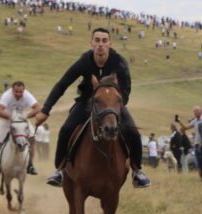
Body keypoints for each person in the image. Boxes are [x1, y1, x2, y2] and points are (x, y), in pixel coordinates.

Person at [36, 28, 150, 188]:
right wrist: (45, 110)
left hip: (112, 105)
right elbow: (62, 85)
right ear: (91, 43)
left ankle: (137, 171)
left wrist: (115, 105)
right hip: (86, 103)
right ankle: (59, 170)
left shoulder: (119, 62)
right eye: (97, 40)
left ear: (110, 44)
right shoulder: (85, 61)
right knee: (66, 129)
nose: (100, 45)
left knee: (133, 132)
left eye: (104, 41)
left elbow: (126, 89)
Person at [0, 81, 41, 176]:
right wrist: (10, 117)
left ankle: (30, 165)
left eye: (20, 92)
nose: (18, 94)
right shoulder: (7, 95)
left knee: (32, 139)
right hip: (7, 120)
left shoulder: (27, 95)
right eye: (16, 92)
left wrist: (26, 116)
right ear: (12, 90)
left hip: (22, 120)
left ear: (24, 90)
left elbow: (37, 108)